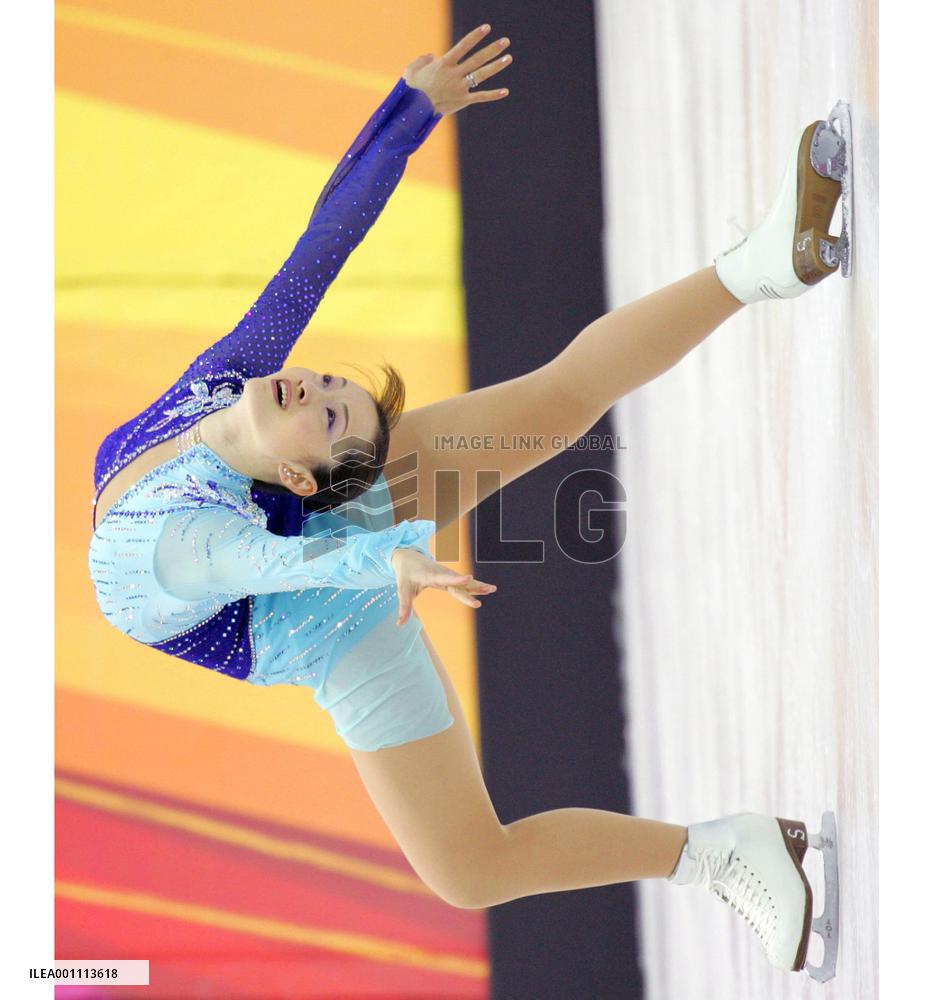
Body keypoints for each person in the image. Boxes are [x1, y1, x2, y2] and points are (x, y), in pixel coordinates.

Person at [87, 24, 840, 981]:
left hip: (330, 557)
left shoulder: (216, 467)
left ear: (304, 479)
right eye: (321, 397)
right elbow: (276, 550)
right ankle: (725, 850)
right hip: (321, 630)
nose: (309, 387)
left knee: (561, 402)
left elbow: (270, 546)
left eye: (327, 397)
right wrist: (384, 560)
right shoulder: (212, 443)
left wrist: (412, 110)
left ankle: (761, 264)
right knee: (470, 870)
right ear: (293, 477)